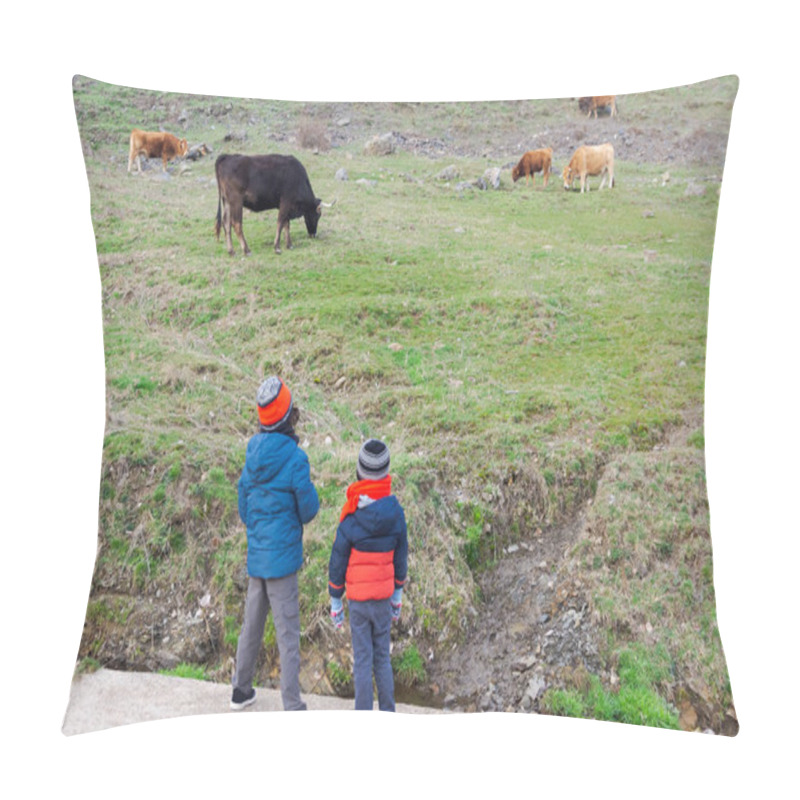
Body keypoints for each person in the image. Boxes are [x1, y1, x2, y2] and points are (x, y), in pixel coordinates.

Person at [230, 376, 319, 711]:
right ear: (288, 416)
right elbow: (308, 510)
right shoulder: (295, 459)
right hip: (282, 563)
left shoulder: (252, 452)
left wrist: (260, 531)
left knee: (251, 625)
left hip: (258, 558)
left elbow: (244, 505)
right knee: (287, 634)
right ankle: (292, 704)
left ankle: (240, 690)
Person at [328, 439, 408, 711]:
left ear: (359, 473)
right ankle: (388, 714)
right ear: (387, 475)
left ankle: (362, 720)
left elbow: (337, 559)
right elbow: (400, 557)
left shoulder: (351, 517)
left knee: (363, 660)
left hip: (359, 603)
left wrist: (335, 599)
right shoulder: (395, 514)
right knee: (382, 659)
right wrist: (397, 594)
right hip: (383, 600)